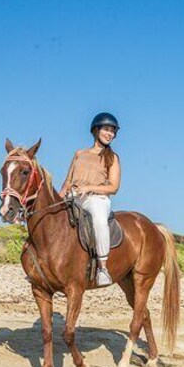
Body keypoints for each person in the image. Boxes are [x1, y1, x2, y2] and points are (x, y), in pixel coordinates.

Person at [58, 112, 122, 286]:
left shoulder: (112, 157)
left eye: (113, 131)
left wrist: (89, 188)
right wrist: (60, 196)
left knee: (100, 222)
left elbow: (114, 188)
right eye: (107, 130)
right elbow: (68, 181)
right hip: (74, 197)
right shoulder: (79, 153)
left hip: (97, 199)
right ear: (96, 130)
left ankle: (102, 268)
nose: (110, 134)